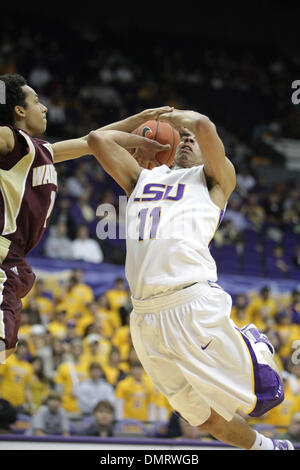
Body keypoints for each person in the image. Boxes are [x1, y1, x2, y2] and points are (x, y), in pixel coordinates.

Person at [88, 108, 293, 450]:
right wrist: (141, 129)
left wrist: (174, 117)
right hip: (144, 318)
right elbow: (97, 140)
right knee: (203, 417)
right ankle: (268, 448)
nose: (185, 139)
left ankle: (254, 345)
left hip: (190, 303)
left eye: (191, 141)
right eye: (181, 139)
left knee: (267, 395)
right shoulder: (141, 179)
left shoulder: (216, 180)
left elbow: (202, 125)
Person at [0, 73, 171, 359]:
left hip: (13, 261)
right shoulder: (10, 139)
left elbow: (92, 141)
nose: (44, 108)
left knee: (8, 346)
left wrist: (139, 122)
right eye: (36, 101)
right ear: (18, 110)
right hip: (4, 257)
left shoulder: (41, 151)